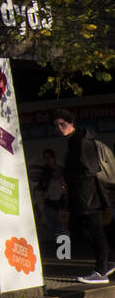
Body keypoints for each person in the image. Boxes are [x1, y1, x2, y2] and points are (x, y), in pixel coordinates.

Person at [55, 110, 112, 284]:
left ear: (72, 123)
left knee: (94, 230)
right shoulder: (75, 140)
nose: (59, 128)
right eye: (57, 125)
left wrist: (71, 181)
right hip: (82, 194)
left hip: (87, 194)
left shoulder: (81, 141)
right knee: (82, 230)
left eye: (63, 124)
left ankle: (101, 270)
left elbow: (88, 168)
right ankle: (107, 262)